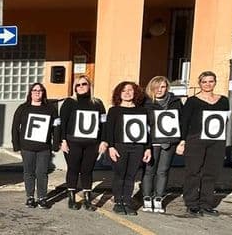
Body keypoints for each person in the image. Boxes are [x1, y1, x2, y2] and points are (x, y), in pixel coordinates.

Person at [178, 71, 230, 216]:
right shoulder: (192, 101)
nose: (207, 84)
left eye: (211, 81)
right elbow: (185, 122)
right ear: (200, 83)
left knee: (211, 173)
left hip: (216, 141)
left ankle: (206, 204)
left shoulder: (223, 100)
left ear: (215, 82)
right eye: (204, 81)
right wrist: (182, 141)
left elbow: (224, 120)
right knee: (193, 172)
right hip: (195, 140)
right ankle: (191, 203)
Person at [102, 81, 152, 215]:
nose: (127, 93)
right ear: (119, 94)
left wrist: (148, 148)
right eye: (123, 91)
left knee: (131, 175)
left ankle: (127, 202)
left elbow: (147, 131)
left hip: (138, 147)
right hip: (120, 147)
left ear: (135, 93)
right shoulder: (114, 110)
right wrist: (111, 147)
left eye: (130, 90)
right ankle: (118, 202)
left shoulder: (142, 111)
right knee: (120, 174)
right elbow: (109, 130)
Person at [58, 74, 107, 211]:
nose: (81, 87)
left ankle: (87, 199)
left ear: (89, 86)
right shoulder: (69, 102)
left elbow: (104, 123)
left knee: (87, 170)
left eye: (84, 84)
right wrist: (62, 141)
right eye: (78, 85)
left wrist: (104, 141)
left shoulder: (97, 103)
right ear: (74, 88)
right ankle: (71, 198)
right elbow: (63, 123)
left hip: (92, 143)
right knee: (73, 169)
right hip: (73, 142)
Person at [11, 82, 59, 209]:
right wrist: (16, 145)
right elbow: (15, 127)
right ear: (30, 93)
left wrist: (56, 144)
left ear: (44, 93)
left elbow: (56, 127)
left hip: (44, 148)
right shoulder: (23, 108)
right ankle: (30, 197)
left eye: (40, 90)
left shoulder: (50, 109)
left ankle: (42, 198)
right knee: (29, 172)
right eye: (35, 90)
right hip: (27, 147)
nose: (37, 92)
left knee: (42, 173)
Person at [141, 76, 182, 213]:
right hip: (152, 143)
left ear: (167, 88)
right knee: (149, 171)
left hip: (169, 142)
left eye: (163, 87)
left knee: (163, 171)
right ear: (151, 88)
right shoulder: (145, 103)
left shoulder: (175, 102)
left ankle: (158, 198)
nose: (159, 90)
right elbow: (142, 125)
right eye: (156, 87)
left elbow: (181, 121)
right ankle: (147, 197)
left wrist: (181, 141)